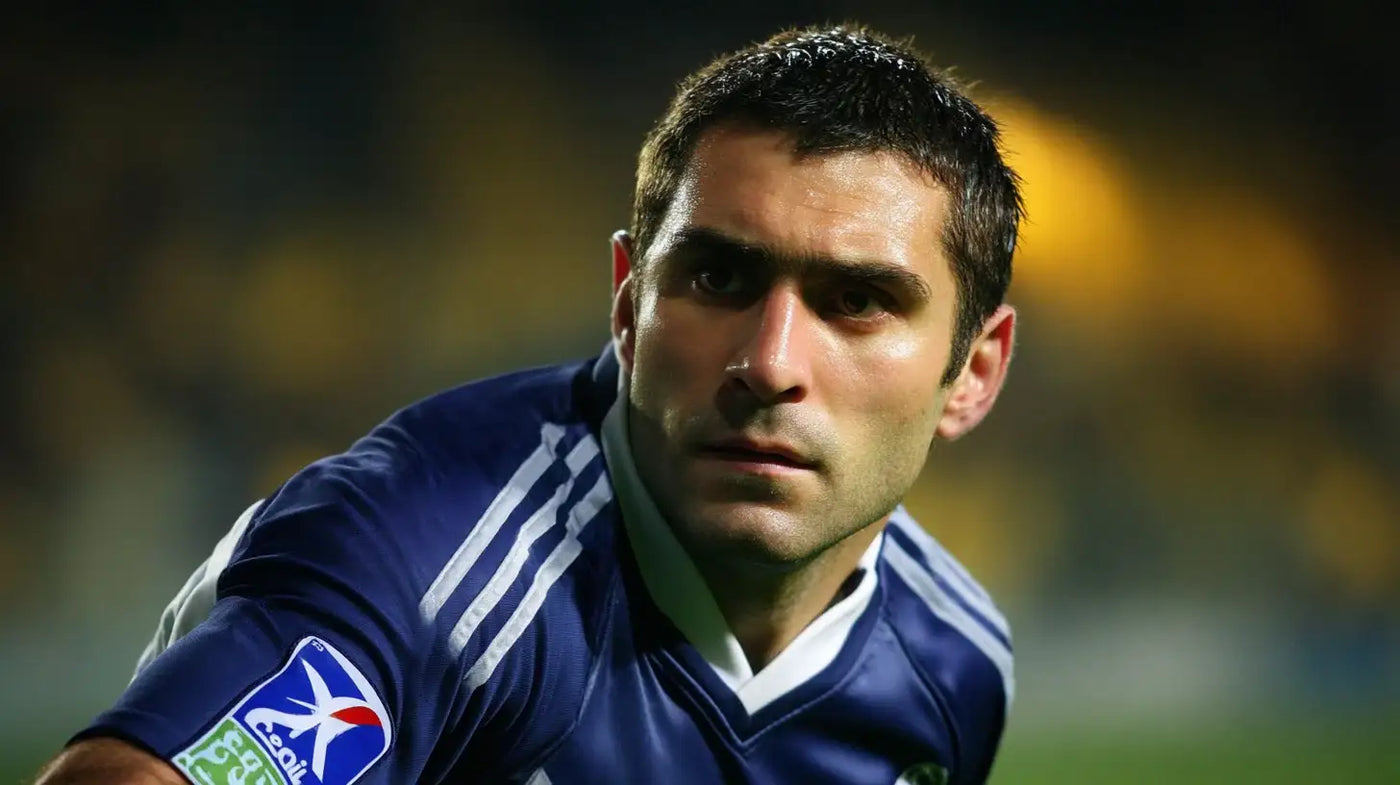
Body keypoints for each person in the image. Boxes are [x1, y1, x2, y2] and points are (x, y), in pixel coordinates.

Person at [37, 23, 1022, 785]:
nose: (768, 362)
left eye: (854, 301)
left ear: (971, 372)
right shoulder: (428, 561)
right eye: (718, 278)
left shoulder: (952, 667)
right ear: (628, 307)